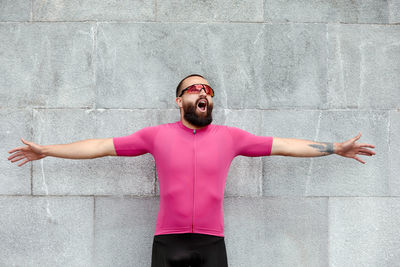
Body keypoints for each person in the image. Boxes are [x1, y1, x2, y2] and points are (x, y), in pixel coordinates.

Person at [8, 74, 376, 267]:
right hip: (168, 244)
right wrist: (48, 151)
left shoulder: (231, 138)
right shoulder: (156, 136)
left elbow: (284, 145)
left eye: (209, 90)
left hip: (212, 244)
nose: (204, 94)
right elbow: (101, 147)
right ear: (180, 99)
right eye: (195, 89)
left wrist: (334, 148)